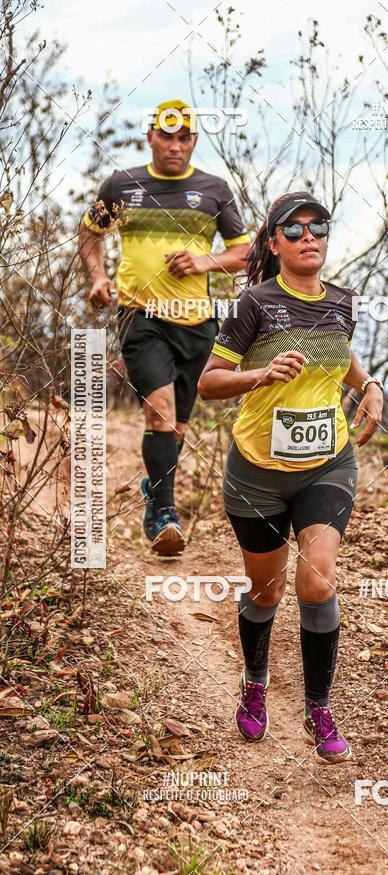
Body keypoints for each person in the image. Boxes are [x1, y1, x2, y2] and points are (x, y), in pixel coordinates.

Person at [198, 191, 384, 764]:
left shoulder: (342, 302)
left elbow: (340, 355)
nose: (309, 237)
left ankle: (318, 707)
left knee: (318, 582)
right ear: (273, 243)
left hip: (327, 464)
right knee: (265, 591)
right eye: (294, 229)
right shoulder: (254, 304)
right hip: (257, 473)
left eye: (318, 228)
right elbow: (207, 383)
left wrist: (370, 385)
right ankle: (256, 683)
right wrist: (260, 373)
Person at [78, 99, 250, 556]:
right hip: (141, 317)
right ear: (151, 136)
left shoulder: (214, 190)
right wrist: (98, 276)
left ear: (193, 141)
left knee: (175, 429)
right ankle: (164, 515)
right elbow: (89, 231)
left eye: (184, 138)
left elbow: (245, 254)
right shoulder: (122, 184)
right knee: (160, 414)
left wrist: (203, 260)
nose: (175, 146)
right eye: (166, 136)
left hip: (197, 324)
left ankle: (154, 490)